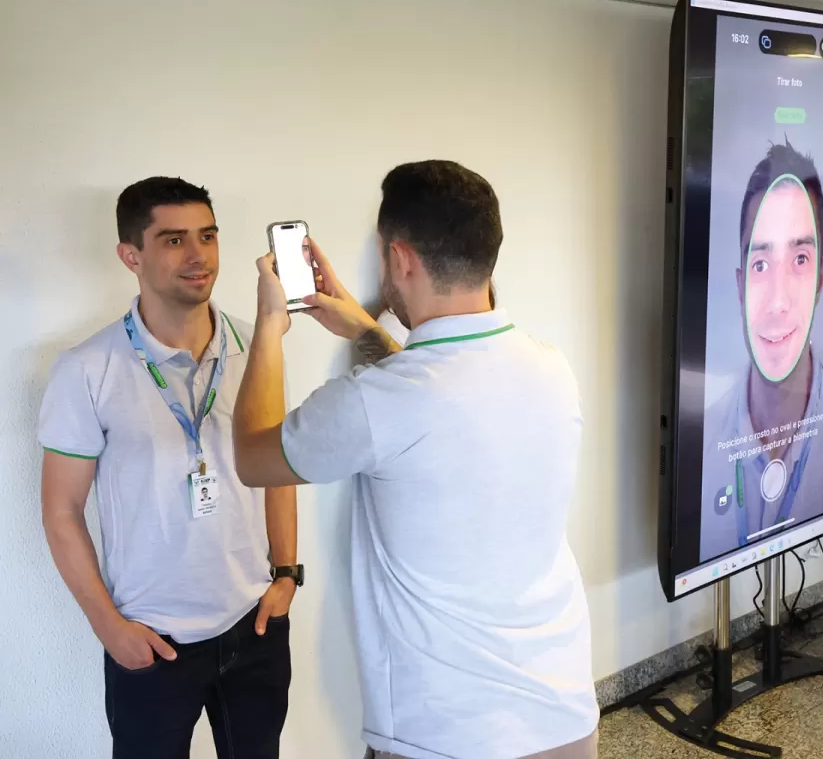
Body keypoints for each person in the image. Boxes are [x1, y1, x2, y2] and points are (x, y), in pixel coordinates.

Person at [231, 160, 599, 758]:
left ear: (400, 258)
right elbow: (437, 397)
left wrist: (270, 325)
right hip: (564, 720)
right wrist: (361, 328)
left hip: (447, 736)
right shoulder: (550, 367)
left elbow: (253, 457)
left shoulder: (382, 400)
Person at [38, 177, 299, 758]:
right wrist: (109, 628)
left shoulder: (255, 346)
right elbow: (61, 512)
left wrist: (286, 575)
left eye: (208, 235)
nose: (199, 255)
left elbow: (277, 467)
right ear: (131, 255)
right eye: (174, 240)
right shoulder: (87, 368)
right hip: (152, 640)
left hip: (253, 623)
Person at [700, 142, 823, 560]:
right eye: (760, 265)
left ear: (821, 277)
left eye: (800, 259)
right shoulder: (703, 439)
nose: (778, 301)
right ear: (740, 285)